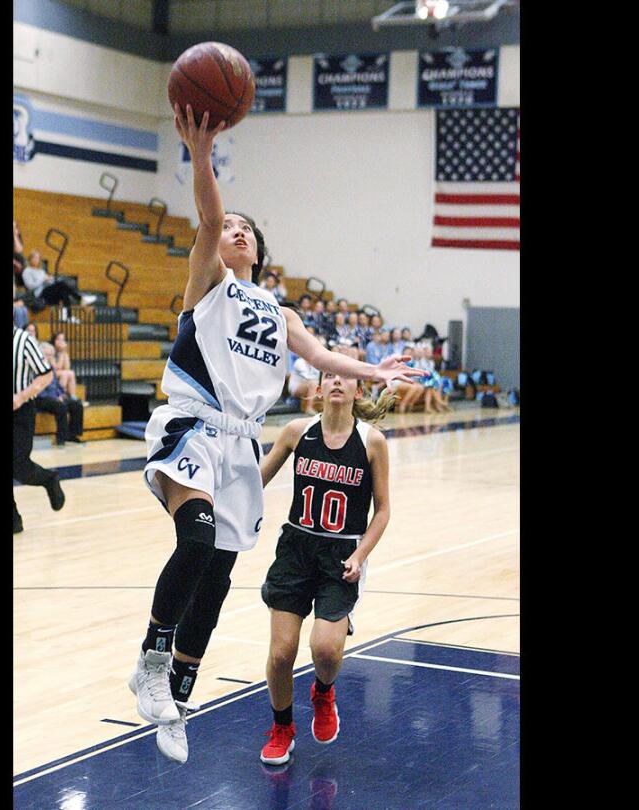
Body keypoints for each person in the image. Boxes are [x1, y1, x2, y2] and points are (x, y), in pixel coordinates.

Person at [128, 104, 426, 764]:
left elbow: (320, 358)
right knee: (197, 536)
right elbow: (207, 215)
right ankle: (151, 656)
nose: (231, 230)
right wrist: (201, 157)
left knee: (219, 573)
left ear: (259, 250)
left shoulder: (277, 309)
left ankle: (176, 692)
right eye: (227, 226)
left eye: (243, 230)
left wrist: (372, 366)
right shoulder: (209, 284)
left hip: (240, 442)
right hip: (194, 423)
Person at [256, 369, 396, 764]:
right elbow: (255, 483)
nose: (337, 381)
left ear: (358, 389)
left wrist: (359, 555)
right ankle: (282, 727)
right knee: (282, 652)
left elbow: (383, 512)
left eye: (345, 377)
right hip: (296, 548)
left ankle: (323, 691)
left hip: (341, 555)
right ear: (318, 388)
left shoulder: (372, 442)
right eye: (329, 375)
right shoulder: (297, 432)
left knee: (326, 649)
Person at [14, 323, 65, 533]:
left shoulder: (24, 341)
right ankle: (14, 520)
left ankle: (48, 479)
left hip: (21, 410)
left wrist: (22, 396)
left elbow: (46, 375)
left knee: (19, 465)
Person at [34, 343, 86, 445]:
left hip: (54, 397)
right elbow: (38, 389)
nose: (48, 357)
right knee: (61, 407)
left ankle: (73, 434)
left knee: (77, 405)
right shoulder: (36, 368)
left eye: (50, 355)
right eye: (46, 354)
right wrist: (55, 398)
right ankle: (61, 438)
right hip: (41, 398)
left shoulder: (51, 368)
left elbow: (56, 385)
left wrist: (61, 394)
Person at [50, 332, 82, 404]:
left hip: (60, 373)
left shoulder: (63, 352)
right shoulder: (50, 350)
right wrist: (62, 352)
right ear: (54, 340)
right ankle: (60, 394)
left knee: (70, 373)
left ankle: (72, 396)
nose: (61, 342)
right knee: (64, 374)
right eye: (58, 339)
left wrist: (64, 352)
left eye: (63, 340)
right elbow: (56, 368)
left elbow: (67, 367)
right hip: (51, 373)